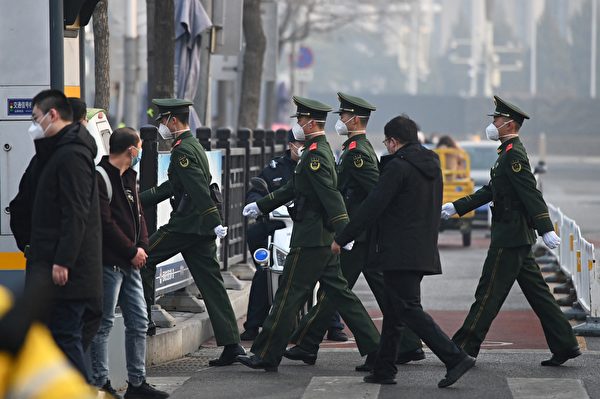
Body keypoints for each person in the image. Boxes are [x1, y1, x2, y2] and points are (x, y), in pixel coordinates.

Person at [237, 96, 380, 372]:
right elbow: (293, 188)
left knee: (287, 296)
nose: (298, 124)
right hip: (320, 238)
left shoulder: (315, 155)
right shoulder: (316, 151)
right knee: (341, 295)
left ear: (311, 122)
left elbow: (331, 196)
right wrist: (261, 205)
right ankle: (375, 348)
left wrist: (344, 232)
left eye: (301, 120)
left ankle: (266, 353)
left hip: (311, 239)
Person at [332, 115, 475, 388]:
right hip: (421, 248)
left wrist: (343, 237)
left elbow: (373, 206)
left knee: (407, 309)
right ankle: (384, 369)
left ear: (394, 141)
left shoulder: (398, 168)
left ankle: (455, 357)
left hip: (398, 250)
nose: (386, 146)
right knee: (396, 311)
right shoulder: (431, 162)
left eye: (386, 141)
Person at [285, 93, 423, 371]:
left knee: (335, 290)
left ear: (354, 119)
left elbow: (376, 193)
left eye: (343, 116)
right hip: (359, 233)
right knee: (366, 289)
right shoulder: (352, 148)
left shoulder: (358, 151)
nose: (339, 121)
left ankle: (310, 343)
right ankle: (407, 344)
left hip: (358, 235)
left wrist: (353, 228)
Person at [442, 95, 581, 366]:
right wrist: (456, 206)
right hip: (514, 236)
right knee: (539, 295)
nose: (492, 123)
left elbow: (530, 192)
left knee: (488, 293)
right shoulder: (505, 154)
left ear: (509, 124)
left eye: (496, 119)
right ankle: (565, 344)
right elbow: (491, 191)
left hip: (510, 236)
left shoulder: (513, 154)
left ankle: (462, 348)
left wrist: (545, 227)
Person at [140, 98, 245, 366]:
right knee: (212, 285)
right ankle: (232, 344)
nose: (162, 126)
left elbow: (198, 188)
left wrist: (213, 219)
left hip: (186, 226)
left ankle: (144, 321)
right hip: (199, 229)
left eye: (163, 121)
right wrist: (138, 199)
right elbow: (171, 187)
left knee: (143, 258)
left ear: (173, 120)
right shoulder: (193, 145)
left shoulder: (182, 151)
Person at [9, 89, 102, 379]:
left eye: (36, 118)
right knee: (58, 338)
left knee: (65, 337)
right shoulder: (55, 154)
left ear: (53, 115)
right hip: (50, 264)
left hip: (64, 271)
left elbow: (75, 213)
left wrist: (63, 260)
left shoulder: (71, 156)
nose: (32, 125)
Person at [240, 131, 348, 342]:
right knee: (263, 267)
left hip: (309, 229)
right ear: (290, 145)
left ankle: (334, 325)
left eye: (306, 143)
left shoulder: (315, 164)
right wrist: (257, 205)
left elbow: (334, 194)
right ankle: (253, 324)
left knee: (328, 275)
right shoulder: (275, 169)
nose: (303, 146)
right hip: (278, 226)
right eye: (299, 143)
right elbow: (256, 191)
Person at [90, 128, 169, 399]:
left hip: (131, 264)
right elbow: (104, 223)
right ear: (131, 150)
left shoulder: (130, 177)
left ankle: (137, 383)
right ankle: (100, 383)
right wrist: (130, 251)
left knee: (139, 321)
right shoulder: (100, 178)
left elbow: (139, 217)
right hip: (110, 263)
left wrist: (143, 247)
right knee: (104, 323)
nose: (140, 153)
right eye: (139, 147)